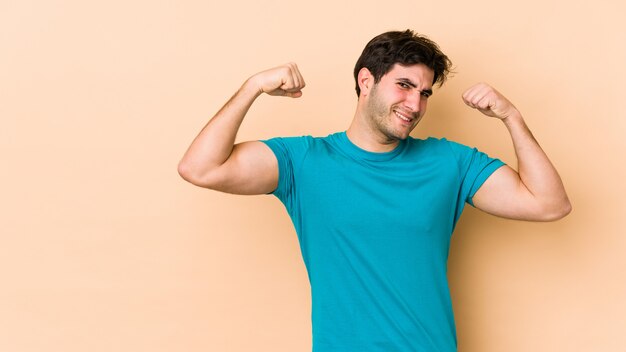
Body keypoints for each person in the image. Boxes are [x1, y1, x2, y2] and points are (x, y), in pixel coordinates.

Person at [178, 30, 571, 351]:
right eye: (404, 85)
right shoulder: (303, 162)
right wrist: (252, 87)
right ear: (366, 81)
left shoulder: (450, 162)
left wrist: (511, 117)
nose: (415, 103)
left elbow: (549, 204)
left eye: (425, 92)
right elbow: (200, 168)